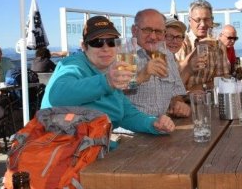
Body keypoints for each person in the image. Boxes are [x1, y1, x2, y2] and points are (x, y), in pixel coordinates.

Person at [40, 16, 175, 135]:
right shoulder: (74, 65)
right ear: (84, 46)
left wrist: (153, 124)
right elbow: (56, 96)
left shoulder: (109, 70)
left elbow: (125, 114)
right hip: (62, 148)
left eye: (111, 42)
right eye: (97, 42)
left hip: (95, 146)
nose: (106, 48)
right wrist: (107, 82)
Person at [126, 9, 190, 118]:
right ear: (134, 30)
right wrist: (142, 75)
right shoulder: (123, 53)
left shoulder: (167, 54)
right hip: (133, 126)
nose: (153, 37)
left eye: (159, 31)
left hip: (165, 123)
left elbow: (176, 91)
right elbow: (113, 91)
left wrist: (177, 103)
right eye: (147, 30)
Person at [175, 0, 229, 91]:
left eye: (206, 19)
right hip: (183, 98)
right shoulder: (181, 43)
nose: (203, 24)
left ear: (212, 21)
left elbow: (223, 79)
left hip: (209, 98)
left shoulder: (218, 45)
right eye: (198, 20)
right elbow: (174, 80)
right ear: (189, 21)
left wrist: (202, 87)